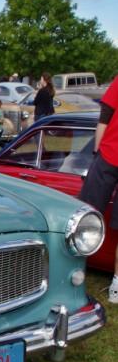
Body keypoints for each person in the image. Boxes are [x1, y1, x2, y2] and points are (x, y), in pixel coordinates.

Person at [79, 74, 118, 303]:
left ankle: (75, 274)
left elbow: (104, 117)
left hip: (109, 155)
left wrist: (96, 153)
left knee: (86, 215)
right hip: (109, 154)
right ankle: (116, 286)